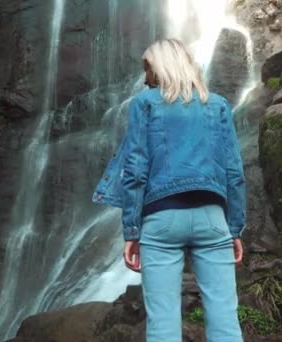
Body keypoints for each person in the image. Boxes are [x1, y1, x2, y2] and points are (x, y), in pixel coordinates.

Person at [92, 38, 246, 342]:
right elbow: (234, 171)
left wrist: (131, 231)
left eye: (148, 70)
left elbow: (135, 170)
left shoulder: (144, 103)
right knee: (225, 319)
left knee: (162, 325)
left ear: (160, 68)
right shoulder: (217, 105)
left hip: (161, 221)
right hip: (212, 219)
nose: (146, 78)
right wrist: (235, 228)